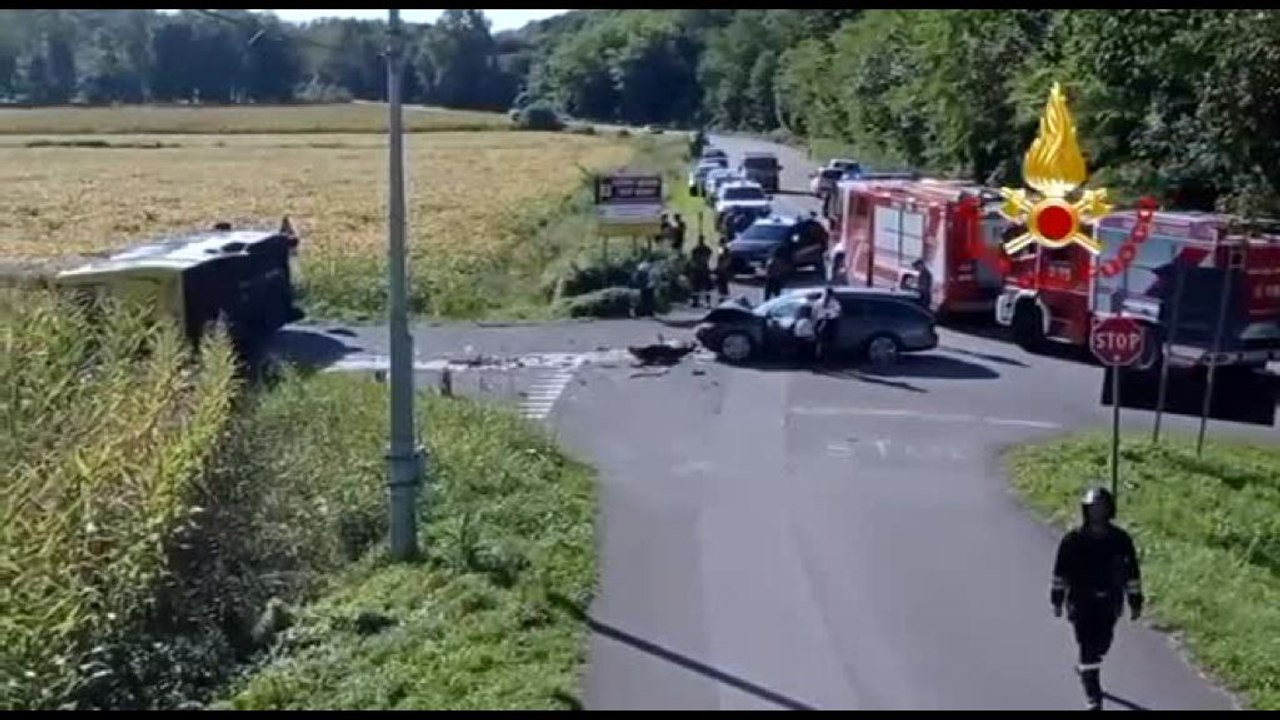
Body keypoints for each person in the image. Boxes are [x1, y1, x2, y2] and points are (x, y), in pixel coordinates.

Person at [1050, 486, 1144, 711]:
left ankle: (1088, 668)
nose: (1097, 512)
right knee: (1087, 645)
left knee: (1102, 644)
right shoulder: (1073, 540)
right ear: (1086, 510)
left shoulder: (1120, 540)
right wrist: (1057, 599)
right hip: (1081, 600)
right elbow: (1060, 572)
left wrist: (1135, 600)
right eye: (1093, 508)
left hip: (1109, 600)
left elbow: (1132, 573)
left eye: (1101, 508)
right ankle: (1093, 695)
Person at [812, 287, 842, 363]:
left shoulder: (834, 303)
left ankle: (824, 358)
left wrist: (830, 315)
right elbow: (814, 313)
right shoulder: (819, 302)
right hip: (823, 322)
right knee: (822, 341)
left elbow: (838, 312)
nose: (827, 296)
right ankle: (822, 357)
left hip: (828, 322)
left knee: (825, 342)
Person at [688, 237, 713, 308]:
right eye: (700, 240)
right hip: (698, 269)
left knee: (707, 287)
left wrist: (705, 260)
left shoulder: (706, 249)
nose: (700, 241)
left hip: (704, 269)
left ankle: (707, 302)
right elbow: (693, 258)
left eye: (701, 240)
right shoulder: (696, 250)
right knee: (696, 286)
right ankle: (695, 301)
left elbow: (709, 255)